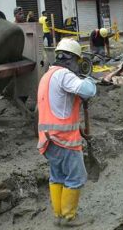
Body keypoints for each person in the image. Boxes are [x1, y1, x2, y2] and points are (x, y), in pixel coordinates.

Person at [37, 38, 97, 226]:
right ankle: (69, 217)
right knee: (76, 177)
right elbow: (88, 90)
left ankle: (59, 216)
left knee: (57, 176)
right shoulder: (64, 75)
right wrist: (88, 78)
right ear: (72, 59)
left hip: (48, 139)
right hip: (64, 139)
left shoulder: (47, 75)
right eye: (77, 62)